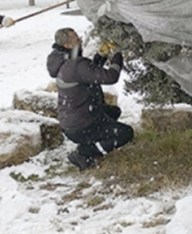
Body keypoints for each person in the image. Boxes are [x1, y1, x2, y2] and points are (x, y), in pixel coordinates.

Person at [46, 28, 134, 171]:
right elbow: (111, 77)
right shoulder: (75, 65)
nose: (80, 40)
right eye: (76, 39)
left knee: (113, 112)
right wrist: (117, 54)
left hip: (73, 120)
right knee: (126, 133)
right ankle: (84, 152)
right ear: (68, 45)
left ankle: (94, 141)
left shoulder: (63, 60)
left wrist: (101, 56)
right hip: (82, 125)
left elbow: (89, 73)